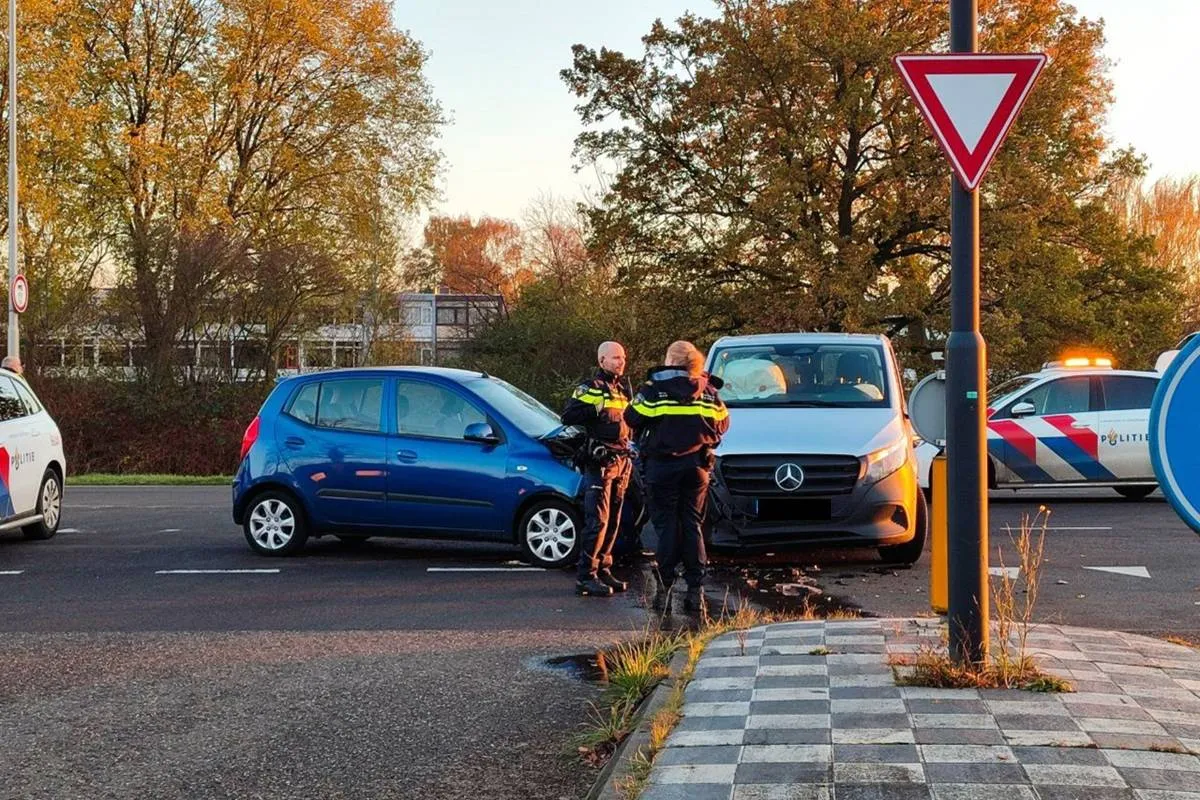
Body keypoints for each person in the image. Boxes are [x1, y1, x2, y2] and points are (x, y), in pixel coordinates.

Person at [625, 341, 729, 613]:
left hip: (662, 467)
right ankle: (696, 591)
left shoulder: (654, 390)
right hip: (697, 467)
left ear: (671, 360)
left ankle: (665, 589)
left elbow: (632, 417)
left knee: (666, 526)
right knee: (693, 525)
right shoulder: (708, 391)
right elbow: (723, 423)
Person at [561, 341, 635, 597]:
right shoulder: (591, 388)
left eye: (623, 357)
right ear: (602, 360)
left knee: (614, 519)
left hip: (621, 461)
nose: (620, 362)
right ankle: (586, 575)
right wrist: (596, 408)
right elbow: (568, 416)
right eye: (615, 358)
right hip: (599, 462)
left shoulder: (622, 390)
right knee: (598, 521)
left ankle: (604, 568)